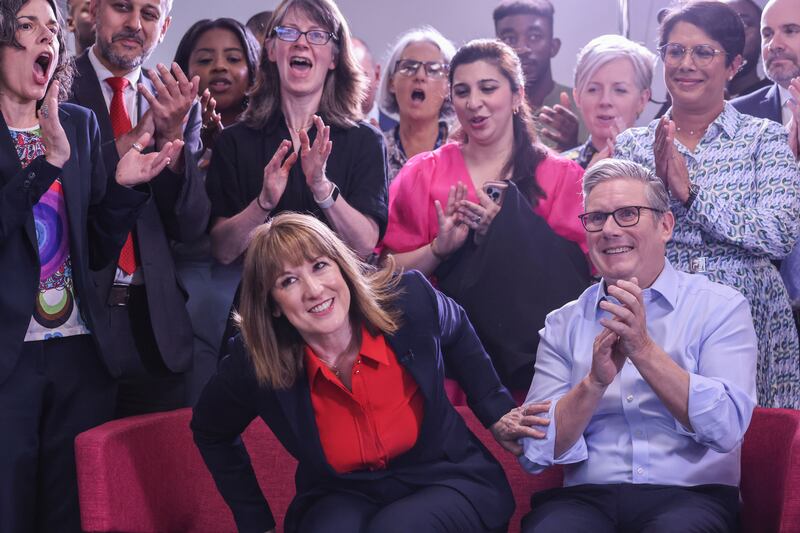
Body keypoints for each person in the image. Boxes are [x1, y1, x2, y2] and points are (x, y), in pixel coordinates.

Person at [191, 212, 546, 533]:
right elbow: (210, 430)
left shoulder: (410, 299)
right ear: (273, 306)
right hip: (342, 492)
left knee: (396, 527)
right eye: (288, 281)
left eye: (319, 266)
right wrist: (255, 523)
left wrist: (495, 409)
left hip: (444, 475)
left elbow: (456, 328)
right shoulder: (253, 359)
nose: (314, 290)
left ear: (342, 267)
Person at [0, 0, 183, 530]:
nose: (46, 40)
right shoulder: (58, 143)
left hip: (80, 354)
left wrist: (126, 189)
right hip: (9, 360)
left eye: (52, 30)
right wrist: (45, 165)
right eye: (27, 26)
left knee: (72, 515)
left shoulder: (77, 124)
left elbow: (96, 248)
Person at [518, 158, 757, 533]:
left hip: (691, 496)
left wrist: (643, 349)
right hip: (587, 497)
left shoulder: (720, 308)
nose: (610, 229)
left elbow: (727, 428)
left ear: (665, 225)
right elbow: (535, 452)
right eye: (596, 218)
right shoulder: (563, 323)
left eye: (628, 214)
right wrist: (593, 384)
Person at [614, 1, 800, 408]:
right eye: (675, 51)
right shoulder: (633, 145)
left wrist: (692, 195)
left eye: (703, 52)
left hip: (753, 315)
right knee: (662, 439)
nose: (686, 64)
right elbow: (620, 237)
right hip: (659, 316)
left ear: (734, 64)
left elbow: (780, 235)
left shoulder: (762, 139)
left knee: (758, 449)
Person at [383, 39, 590, 391]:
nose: (474, 103)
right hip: (447, 365)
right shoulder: (423, 174)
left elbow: (579, 279)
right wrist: (438, 249)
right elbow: (384, 274)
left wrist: (511, 229)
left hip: (541, 367)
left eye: (488, 88)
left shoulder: (561, 176)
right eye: (462, 91)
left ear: (516, 96)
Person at [70, 0, 208, 417]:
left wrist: (172, 141)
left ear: (164, 27)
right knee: (77, 478)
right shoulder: (52, 86)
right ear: (93, 10)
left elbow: (190, 225)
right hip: (77, 321)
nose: (134, 24)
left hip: (154, 324)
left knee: (155, 476)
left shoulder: (177, 101)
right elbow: (70, 201)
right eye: (122, 7)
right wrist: (133, 137)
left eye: (148, 14)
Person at [206, 0, 388, 267]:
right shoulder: (233, 142)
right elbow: (222, 250)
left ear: (335, 58)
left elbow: (364, 245)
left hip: (341, 301)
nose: (302, 43)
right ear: (270, 49)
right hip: (262, 300)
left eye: (317, 35)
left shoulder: (366, 141)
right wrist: (263, 203)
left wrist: (322, 188)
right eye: (289, 32)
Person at [171, 18, 260, 402]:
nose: (219, 67)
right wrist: (196, 149)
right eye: (205, 59)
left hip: (252, 290)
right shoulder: (165, 135)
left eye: (233, 58)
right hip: (180, 298)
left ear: (255, 71)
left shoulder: (272, 138)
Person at [493, 0, 588, 151]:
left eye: (534, 36)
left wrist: (573, 148)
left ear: (553, 47)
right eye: (510, 39)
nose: (522, 49)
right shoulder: (486, 108)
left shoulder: (584, 106)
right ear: (496, 49)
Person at [562, 35, 656, 169]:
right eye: (593, 89)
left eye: (620, 90)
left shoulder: (662, 169)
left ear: (642, 100)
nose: (605, 101)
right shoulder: (560, 169)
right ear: (577, 97)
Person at [378, 26, 455, 182]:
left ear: (449, 87)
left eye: (434, 70)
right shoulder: (376, 150)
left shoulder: (461, 150)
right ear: (391, 83)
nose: (420, 76)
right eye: (408, 67)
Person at [722, 0, 772, 98]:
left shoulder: (778, 98)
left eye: (744, 25)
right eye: (721, 26)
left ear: (763, 36)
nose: (731, 34)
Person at [351, 36, 381, 126]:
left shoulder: (398, 135)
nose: (351, 87)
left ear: (377, 75)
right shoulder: (321, 132)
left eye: (359, 77)